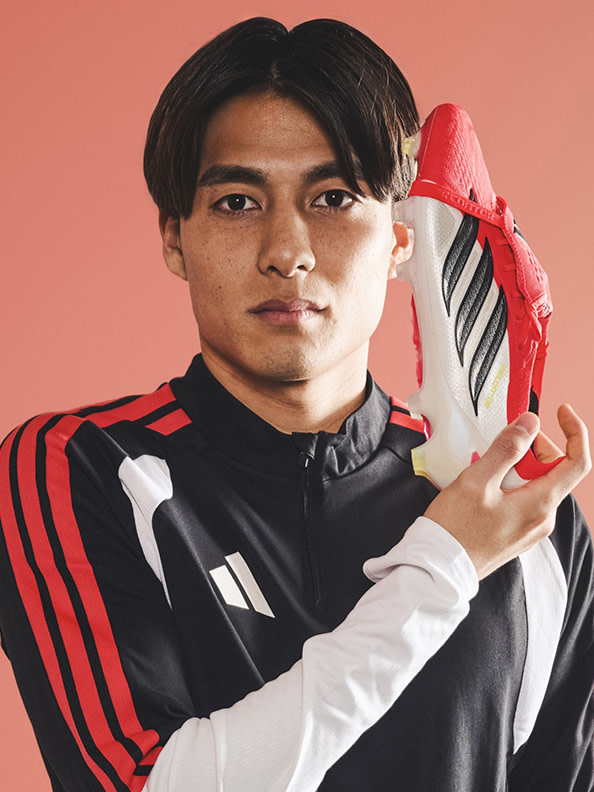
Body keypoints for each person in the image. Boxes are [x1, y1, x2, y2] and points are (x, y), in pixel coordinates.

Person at [0, 17, 591, 792]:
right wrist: (442, 566)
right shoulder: (78, 469)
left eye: (335, 196)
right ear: (175, 237)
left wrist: (472, 539)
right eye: (239, 201)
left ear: (402, 240)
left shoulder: (518, 513)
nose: (288, 250)